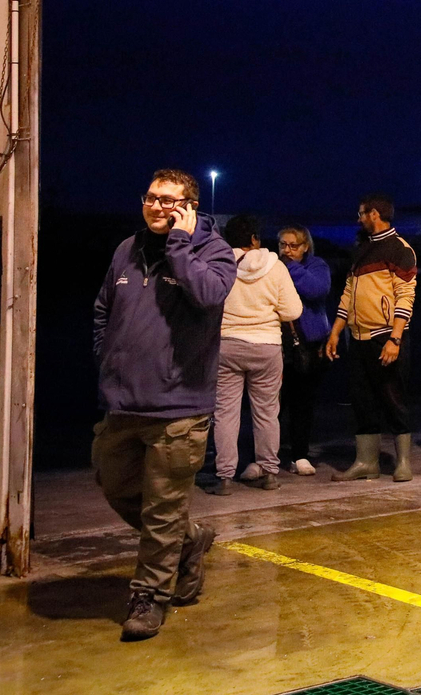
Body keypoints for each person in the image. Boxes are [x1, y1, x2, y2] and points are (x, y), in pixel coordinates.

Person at [91, 169, 236, 640]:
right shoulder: (127, 249)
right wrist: (107, 358)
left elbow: (208, 294)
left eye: (169, 200)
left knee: (162, 508)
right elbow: (103, 308)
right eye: (152, 197)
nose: (157, 206)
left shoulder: (213, 251)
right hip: (123, 402)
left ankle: (150, 596)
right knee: (114, 483)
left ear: (190, 207)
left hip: (179, 406)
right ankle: (189, 541)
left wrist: (180, 245)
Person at [325, 193, 418, 481]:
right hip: (358, 338)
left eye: (362, 213)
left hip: (385, 337)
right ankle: (367, 462)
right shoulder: (362, 249)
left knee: (394, 399)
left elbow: (406, 295)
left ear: (374, 214)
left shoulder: (400, 248)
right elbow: (348, 294)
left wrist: (395, 339)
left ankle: (403, 462)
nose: (359, 219)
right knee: (362, 400)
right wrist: (335, 332)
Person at [209, 214, 302, 495]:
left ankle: (224, 478)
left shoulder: (220, 265)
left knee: (225, 413)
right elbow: (292, 311)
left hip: (227, 345)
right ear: (254, 238)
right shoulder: (276, 267)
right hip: (266, 347)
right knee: (267, 413)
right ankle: (270, 473)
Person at [277, 226, 333, 476]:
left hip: (307, 346)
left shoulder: (317, 266)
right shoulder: (273, 266)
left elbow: (316, 290)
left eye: (293, 245)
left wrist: (290, 267)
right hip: (277, 344)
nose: (287, 250)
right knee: (272, 405)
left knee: (302, 403)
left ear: (305, 246)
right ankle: (265, 456)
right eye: (283, 245)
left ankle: (300, 454)